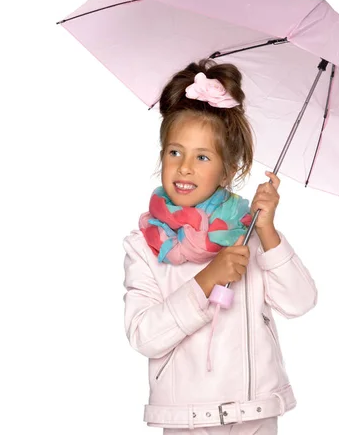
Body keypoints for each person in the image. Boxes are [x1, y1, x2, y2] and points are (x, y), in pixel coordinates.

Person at [122, 58, 318, 434]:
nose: (185, 168)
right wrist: (206, 280)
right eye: (175, 152)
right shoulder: (144, 245)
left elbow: (300, 301)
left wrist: (268, 231)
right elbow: (144, 335)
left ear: (228, 170)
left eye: (203, 157)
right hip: (189, 419)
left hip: (255, 414)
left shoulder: (250, 234)